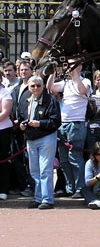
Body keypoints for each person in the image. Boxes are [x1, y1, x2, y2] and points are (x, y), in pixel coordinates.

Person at [46, 59, 92, 198]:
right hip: (63, 124)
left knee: (75, 158)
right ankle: (70, 187)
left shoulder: (85, 81)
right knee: (64, 159)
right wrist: (52, 72)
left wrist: (75, 74)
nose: (70, 67)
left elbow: (82, 90)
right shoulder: (66, 83)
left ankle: (80, 188)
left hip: (76, 124)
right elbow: (51, 88)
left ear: (80, 66)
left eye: (74, 64)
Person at [19, 76, 61, 209]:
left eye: (38, 85)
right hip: (31, 139)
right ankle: (38, 198)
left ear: (43, 87)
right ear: (29, 87)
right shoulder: (26, 100)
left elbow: (56, 121)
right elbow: (20, 116)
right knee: (34, 170)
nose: (36, 88)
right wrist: (22, 125)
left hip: (46, 137)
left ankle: (47, 199)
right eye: (33, 86)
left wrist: (39, 123)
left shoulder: (51, 100)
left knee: (45, 169)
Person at [10, 59, 34, 197]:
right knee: (18, 160)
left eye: (26, 69)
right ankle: (21, 185)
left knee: (29, 160)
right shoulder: (16, 88)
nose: (23, 72)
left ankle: (31, 186)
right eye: (21, 70)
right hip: (16, 130)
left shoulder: (34, 88)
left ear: (31, 71)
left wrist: (23, 121)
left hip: (28, 129)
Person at [0, 75, 13, 201]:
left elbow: (5, 113)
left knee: (2, 160)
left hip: (2, 130)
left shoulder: (5, 94)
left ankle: (3, 189)